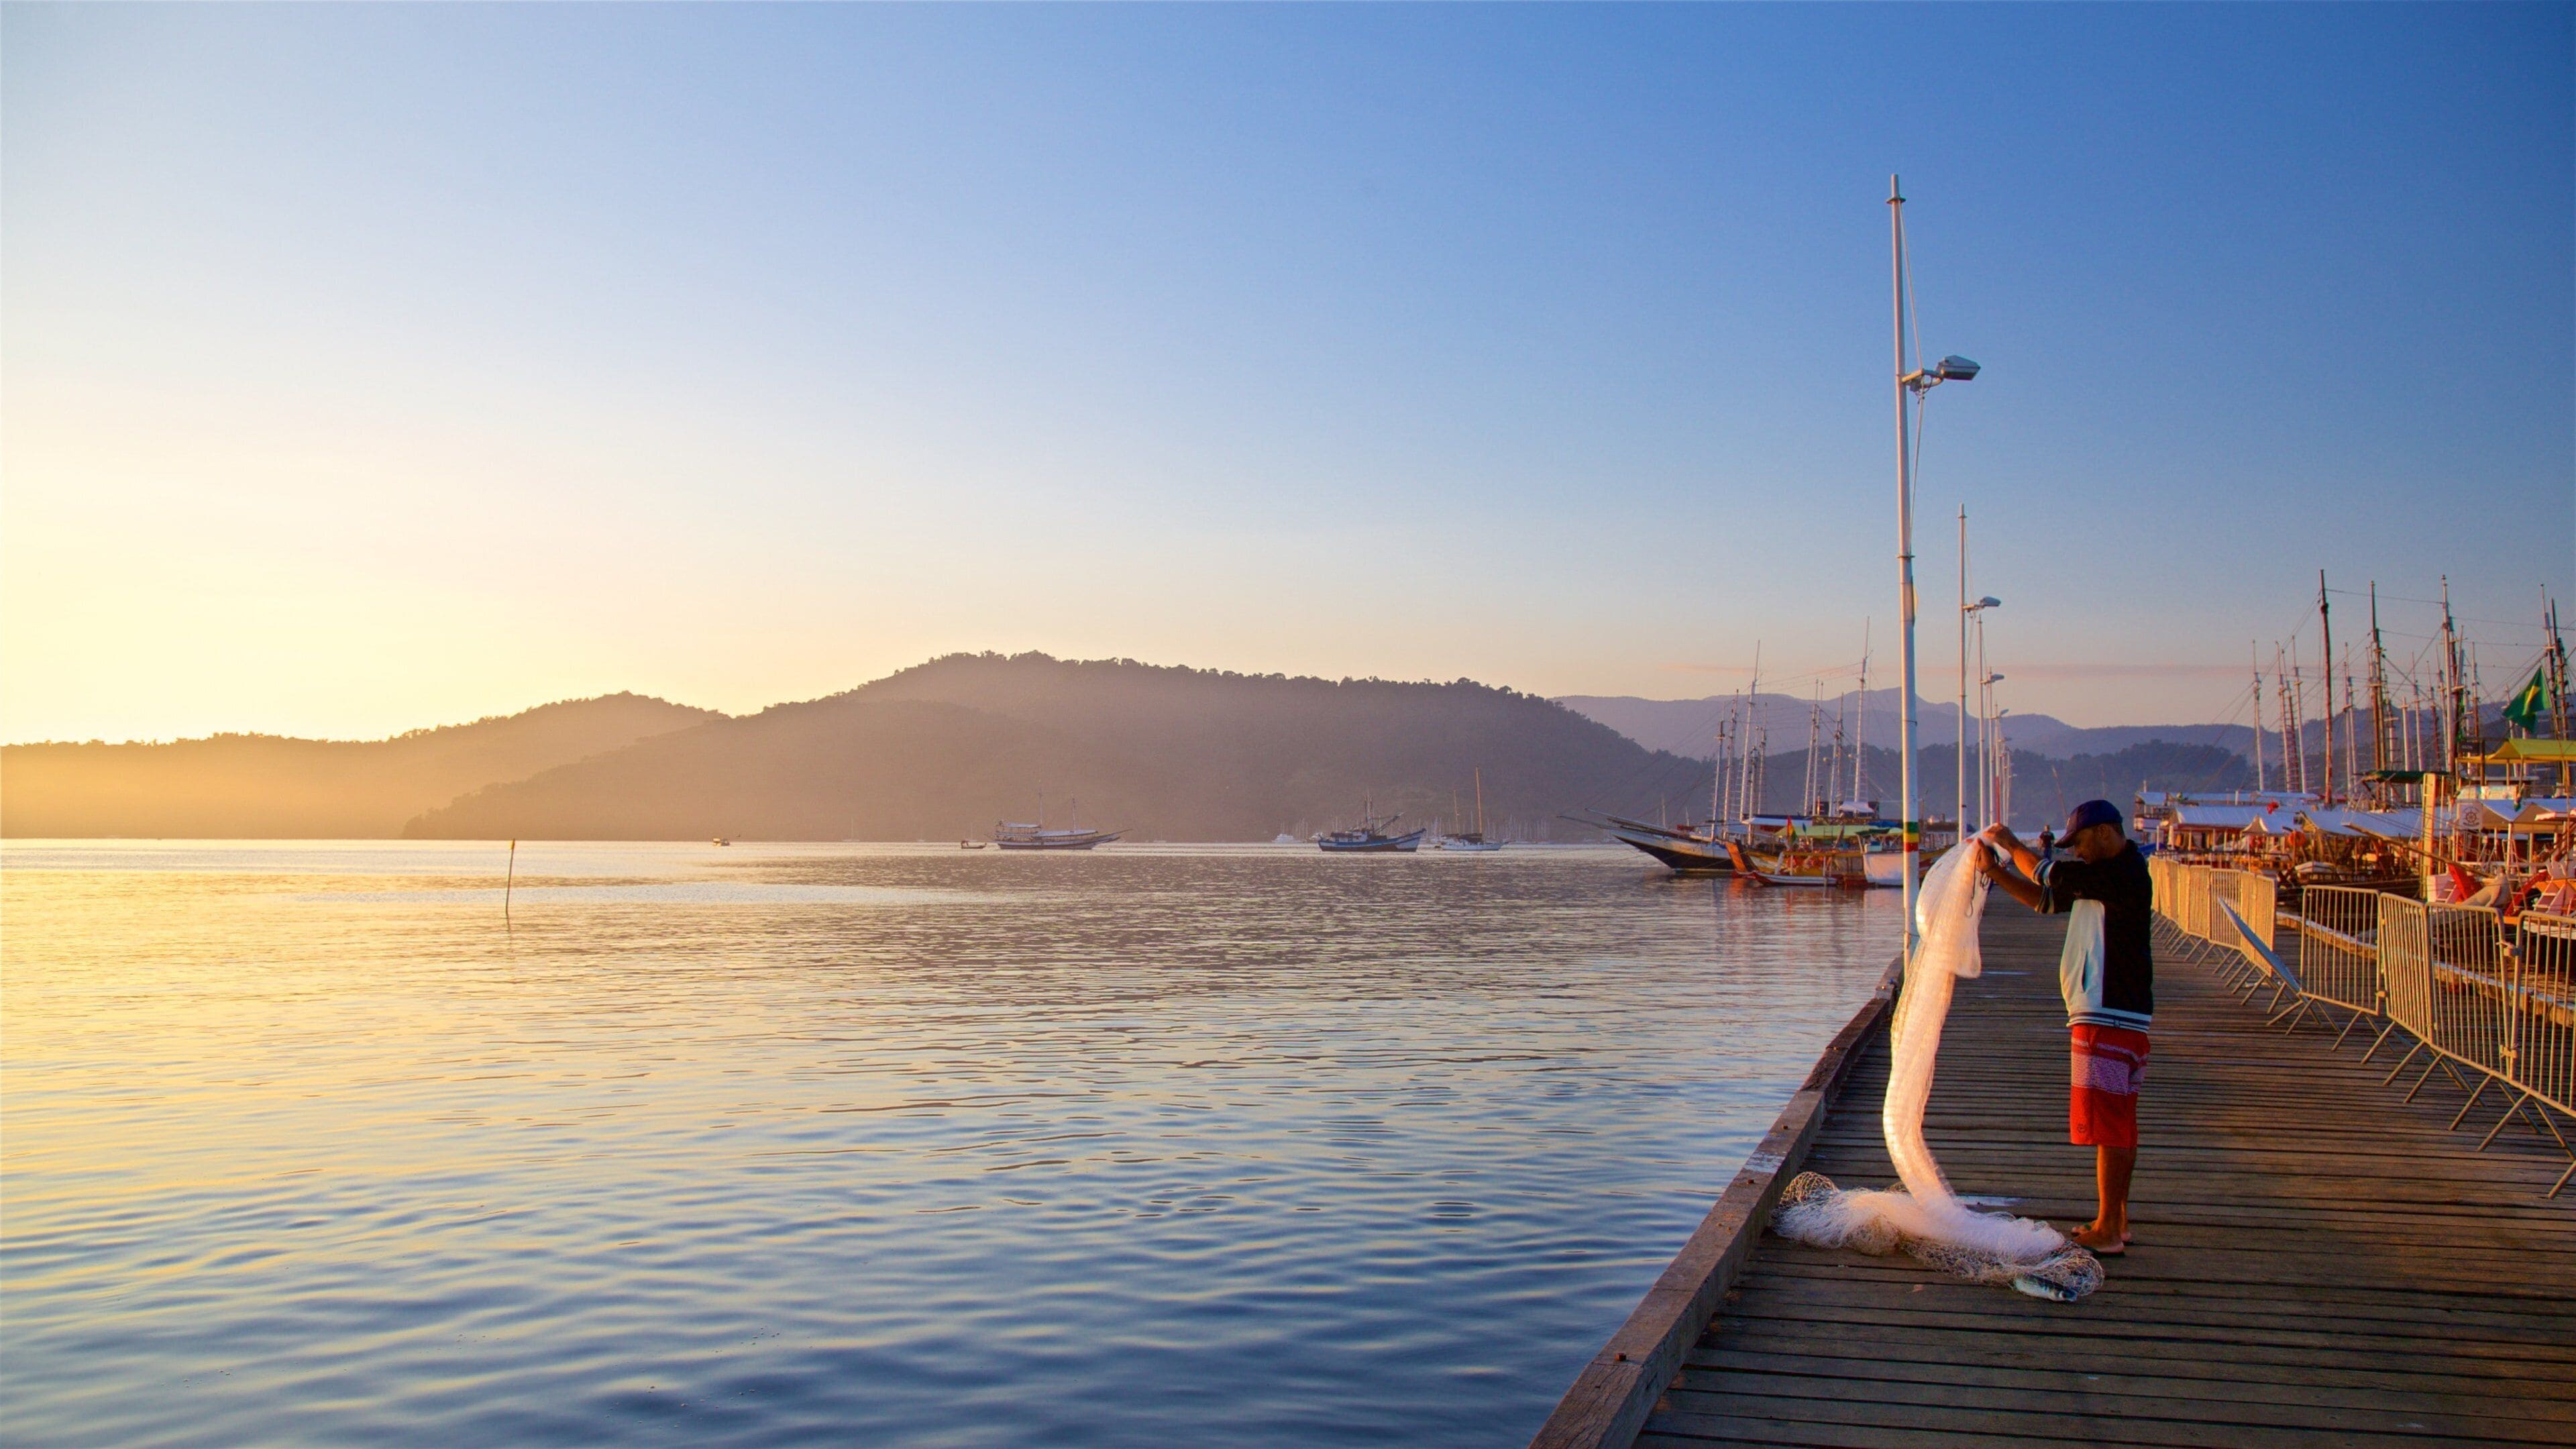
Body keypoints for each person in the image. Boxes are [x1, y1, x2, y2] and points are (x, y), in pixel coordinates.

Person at [1975, 800, 2152, 1255]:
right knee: (2121, 1124)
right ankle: (2114, 1217)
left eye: (2081, 843)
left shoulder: (2119, 874)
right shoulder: (2111, 876)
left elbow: (2048, 875)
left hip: (2106, 1016)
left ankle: (2110, 1230)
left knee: (2109, 1126)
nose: (2078, 854)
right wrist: (1996, 874)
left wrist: (2013, 845)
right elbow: (2046, 899)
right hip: (2123, 1017)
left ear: (2106, 834)